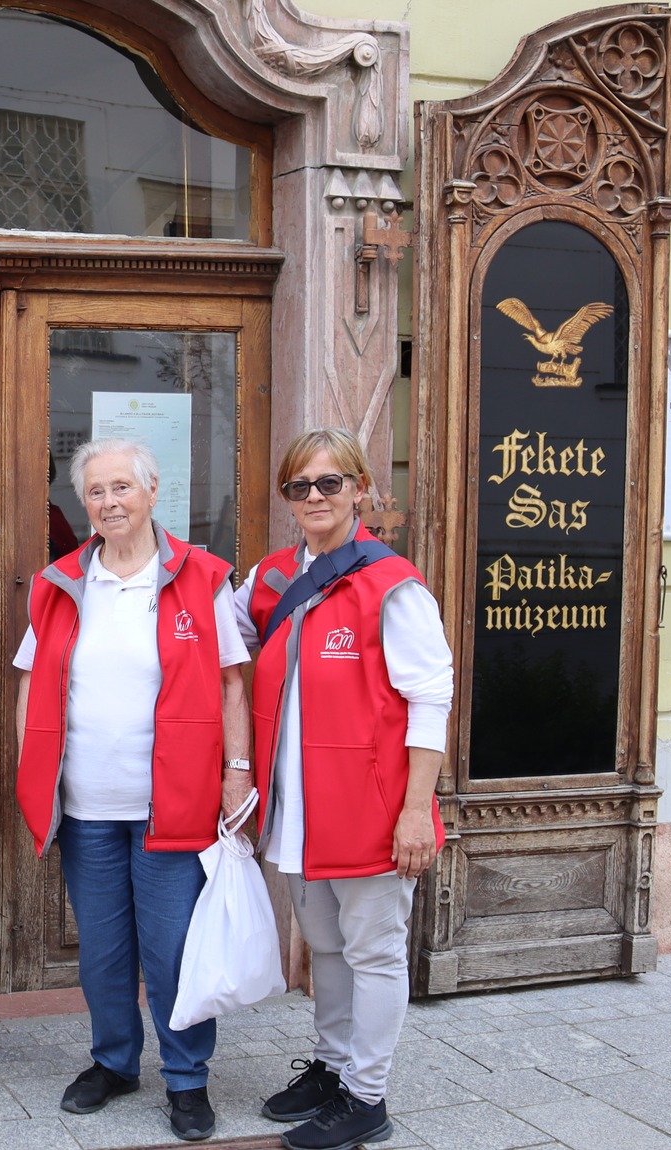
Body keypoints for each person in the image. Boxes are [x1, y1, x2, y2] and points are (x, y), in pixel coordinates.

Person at [11, 437, 252, 1143]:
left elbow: (232, 683)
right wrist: (33, 769)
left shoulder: (201, 577)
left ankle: (187, 1077)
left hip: (172, 805)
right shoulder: (60, 583)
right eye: (96, 491)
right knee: (104, 953)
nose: (109, 502)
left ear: (151, 492)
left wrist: (237, 771)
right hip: (87, 807)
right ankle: (114, 1062)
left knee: (172, 952)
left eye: (122, 487)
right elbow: (31, 683)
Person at [235, 427, 452, 1150]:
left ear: (360, 489)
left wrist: (416, 812)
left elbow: (431, 699)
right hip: (299, 807)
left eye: (331, 483)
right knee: (325, 947)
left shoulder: (393, 585)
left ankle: (367, 1097)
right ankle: (332, 1067)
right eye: (300, 486)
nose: (315, 497)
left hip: (372, 808)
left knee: (375, 951)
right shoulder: (270, 580)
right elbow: (216, 643)